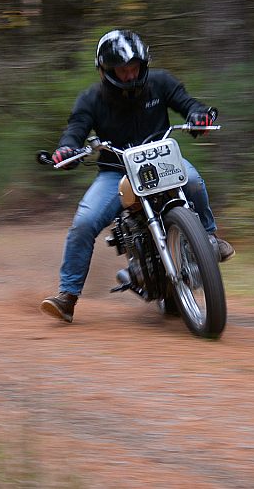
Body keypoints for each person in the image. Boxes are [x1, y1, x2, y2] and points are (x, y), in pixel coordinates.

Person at [40, 29, 235, 323]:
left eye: (134, 68)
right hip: (116, 171)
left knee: (193, 181)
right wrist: (66, 149)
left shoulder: (161, 82)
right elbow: (75, 130)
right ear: (107, 71)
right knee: (84, 223)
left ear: (143, 65)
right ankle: (67, 296)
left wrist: (199, 115)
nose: (130, 75)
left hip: (164, 161)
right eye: (122, 70)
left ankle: (209, 238)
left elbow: (188, 103)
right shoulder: (91, 99)